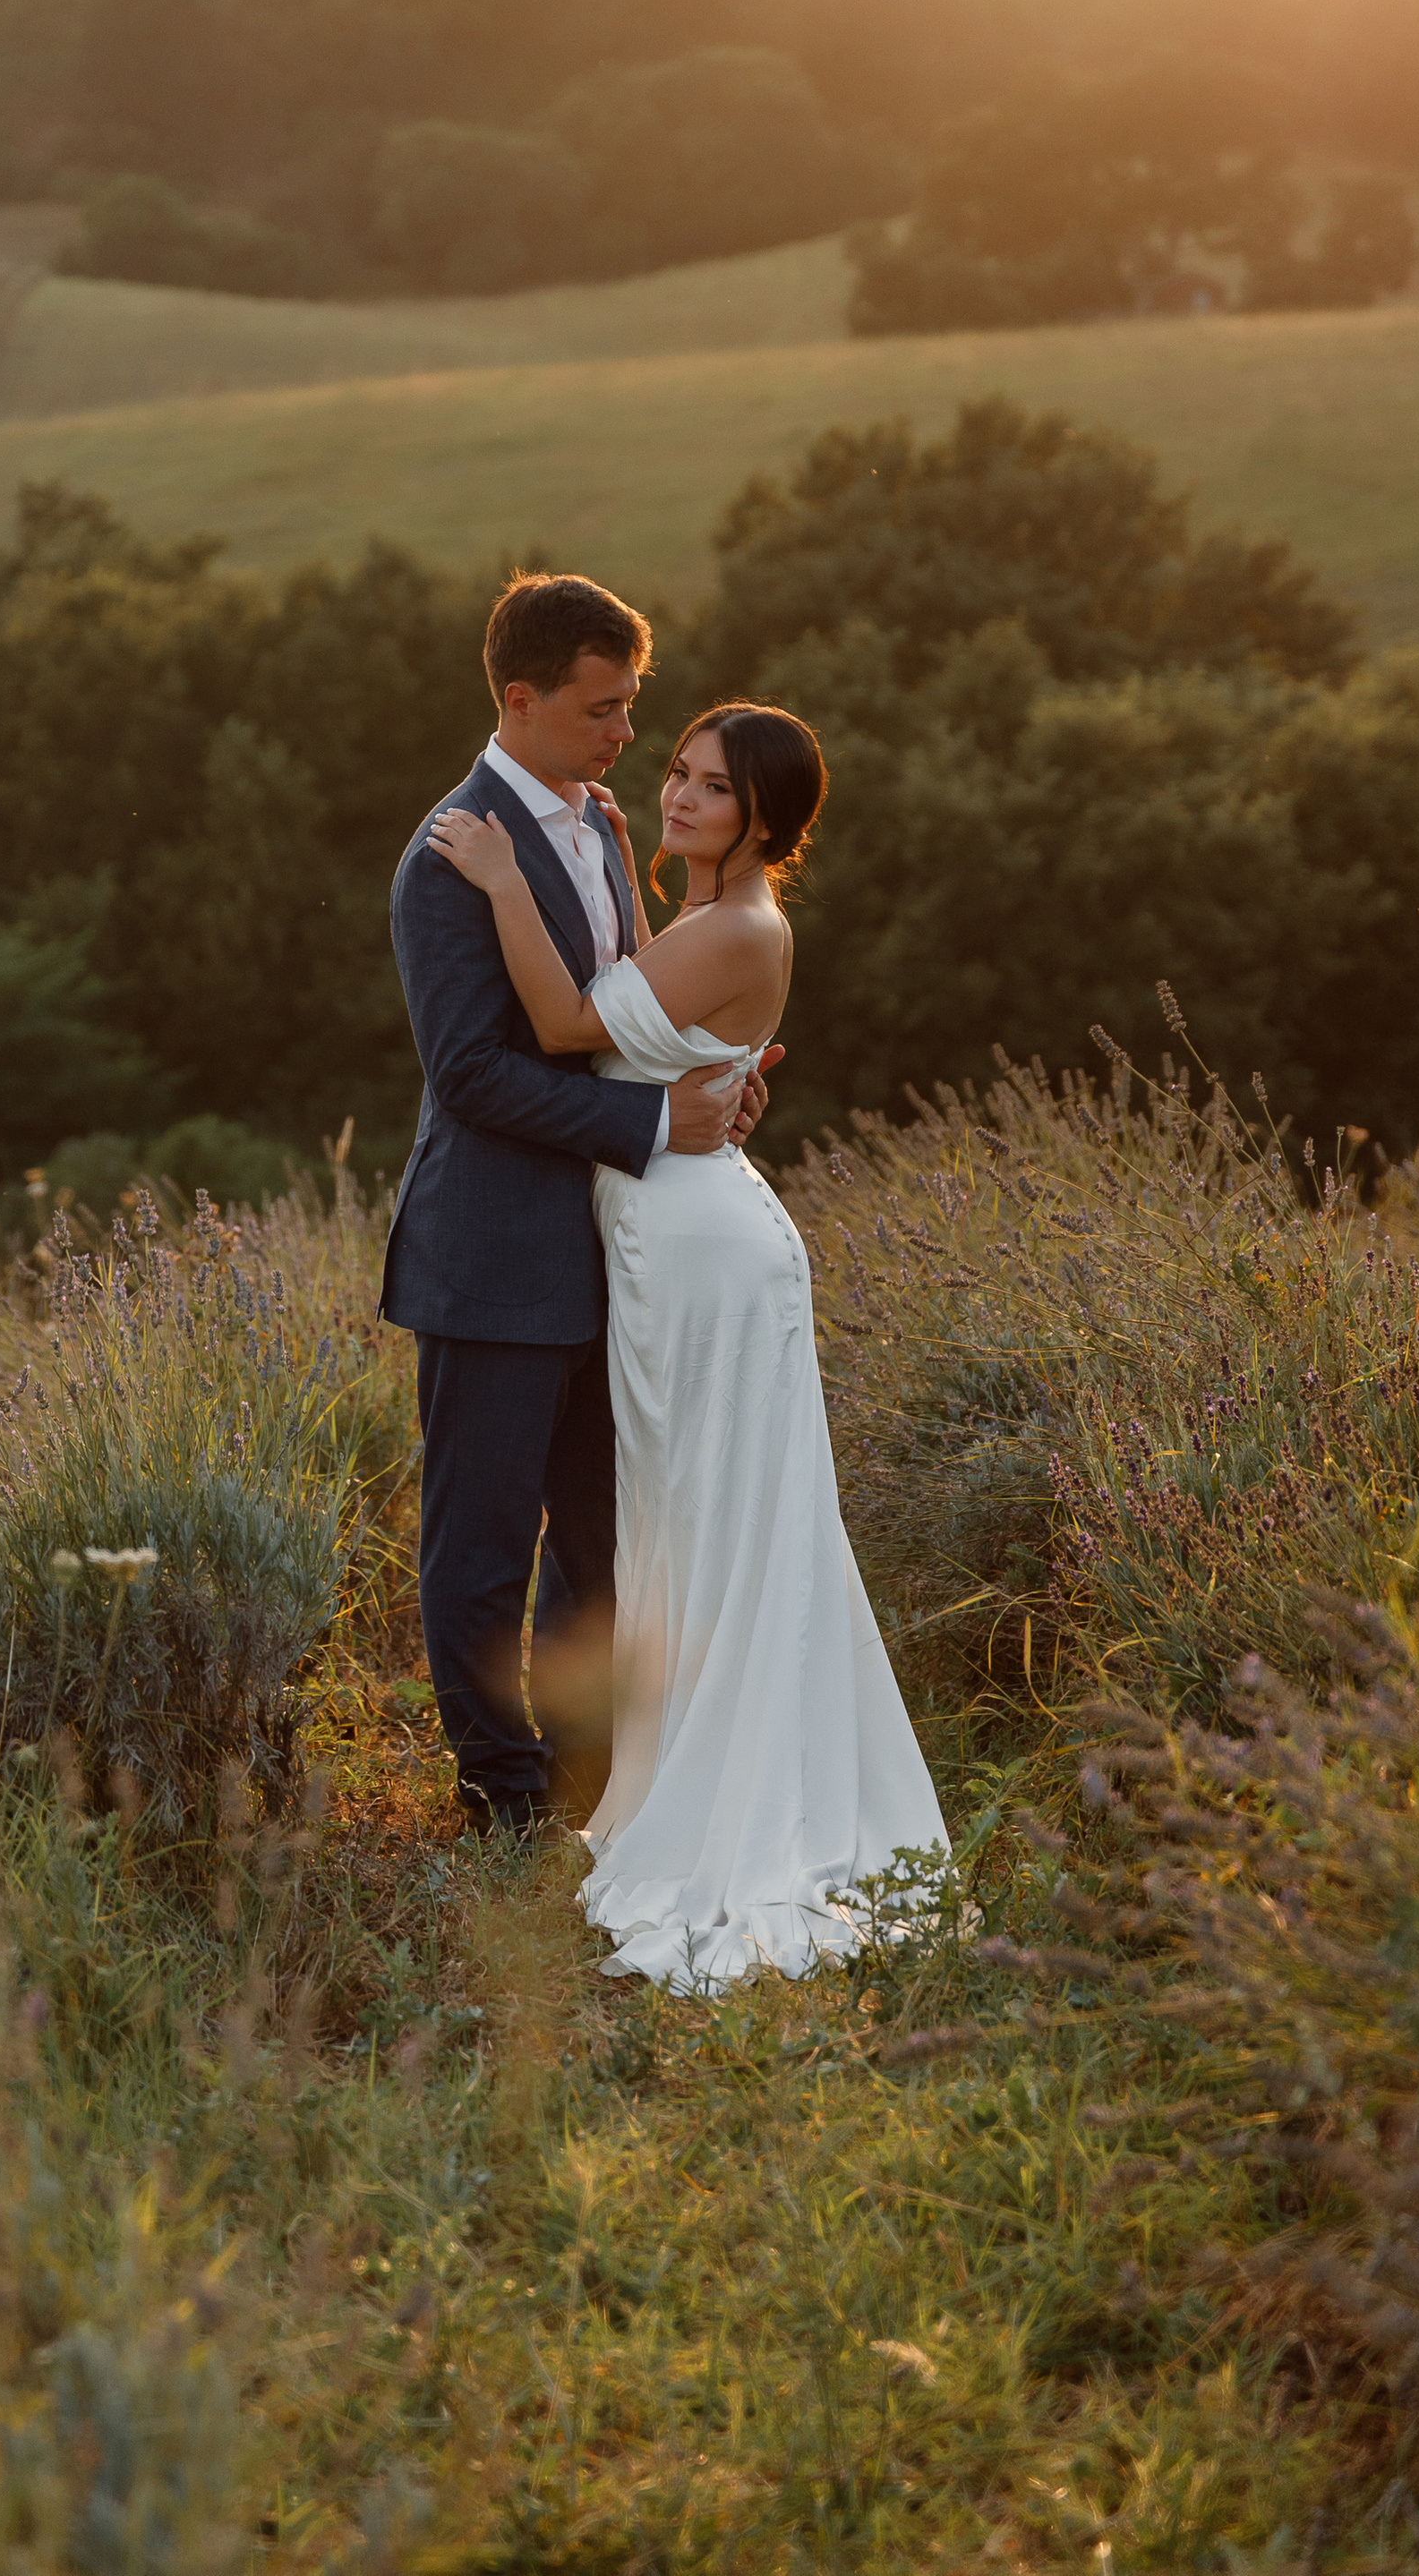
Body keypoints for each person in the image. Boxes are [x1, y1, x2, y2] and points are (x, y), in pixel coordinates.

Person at [426, 694, 951, 1986]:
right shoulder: (714, 921)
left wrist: (502, 878)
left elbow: (563, 1030)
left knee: (717, 1516)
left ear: (762, 817)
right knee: (681, 1512)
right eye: (675, 770)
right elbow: (654, 1027)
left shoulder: (741, 925)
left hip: (703, 1248)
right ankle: (675, 1763)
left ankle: (736, 1791)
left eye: (710, 787)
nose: (677, 794)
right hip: (668, 1234)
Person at [382, 573, 774, 1838]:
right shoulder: (448, 857)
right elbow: (475, 1075)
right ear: (522, 698)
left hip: (620, 1250)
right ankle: (498, 1795)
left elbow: (615, 1014)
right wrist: (658, 1124)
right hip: (492, 1253)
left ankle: (580, 1777)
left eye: (631, 707)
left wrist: (707, 1086)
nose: (624, 739)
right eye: (601, 711)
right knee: (482, 1548)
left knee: (607, 1538)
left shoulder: (602, 827)